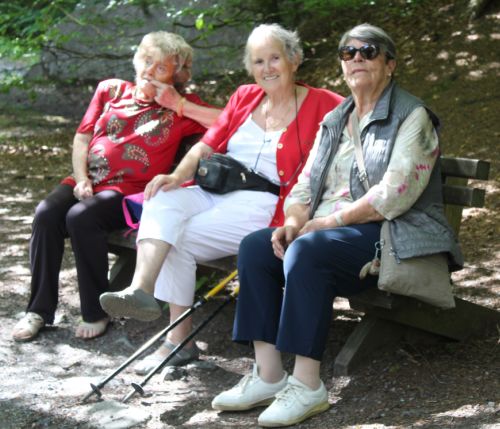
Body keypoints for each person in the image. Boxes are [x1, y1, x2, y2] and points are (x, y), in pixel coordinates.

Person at [211, 23, 463, 427]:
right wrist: (294, 221)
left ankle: (307, 385)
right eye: (349, 52)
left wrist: (328, 222)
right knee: (256, 247)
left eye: (369, 51)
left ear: (390, 64)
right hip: (330, 231)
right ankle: (269, 375)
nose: (357, 58)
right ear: (342, 64)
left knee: (308, 252)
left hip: (388, 233)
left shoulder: (412, 116)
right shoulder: (335, 118)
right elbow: (305, 183)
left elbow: (394, 193)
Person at [99, 23, 344, 375]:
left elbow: (361, 120)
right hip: (217, 189)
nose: (267, 68)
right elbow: (207, 144)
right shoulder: (245, 96)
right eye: (258, 61)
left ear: (294, 59)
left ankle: (178, 341)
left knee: (174, 237)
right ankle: (141, 289)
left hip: (264, 203)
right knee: (161, 200)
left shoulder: (323, 102)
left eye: (275, 58)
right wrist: (176, 177)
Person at [11, 31, 221, 342]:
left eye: (161, 67)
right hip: (88, 180)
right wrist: (81, 177)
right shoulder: (110, 90)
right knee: (46, 214)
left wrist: (179, 104)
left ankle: (96, 313)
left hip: (130, 194)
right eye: (146, 60)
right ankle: (38, 311)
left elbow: (229, 121)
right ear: (136, 59)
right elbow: (83, 137)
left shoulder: (180, 108)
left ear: (174, 76)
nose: (149, 71)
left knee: (81, 217)